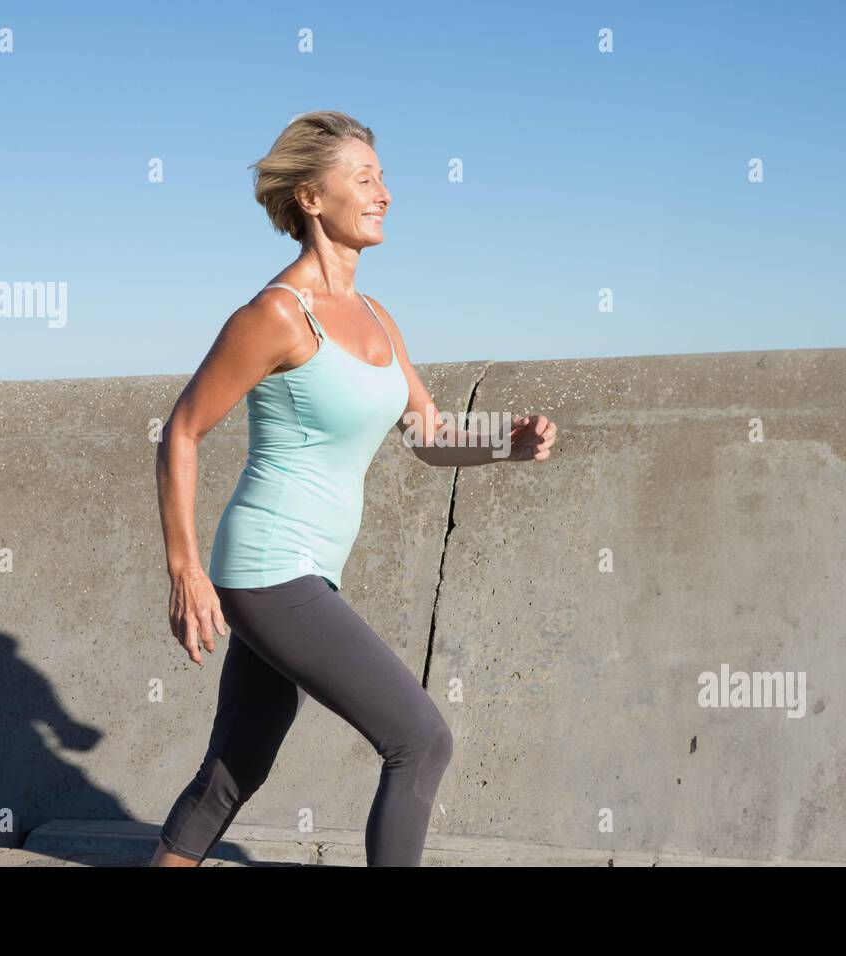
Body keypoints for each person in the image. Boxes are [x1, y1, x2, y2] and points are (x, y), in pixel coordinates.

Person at [149, 110, 557, 867]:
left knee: (233, 771)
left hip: (310, 569)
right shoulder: (277, 314)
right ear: (311, 198)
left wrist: (509, 439)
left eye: (383, 178)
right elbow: (182, 430)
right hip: (270, 566)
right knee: (420, 740)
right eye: (363, 179)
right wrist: (185, 571)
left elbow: (426, 434)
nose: (384, 194)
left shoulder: (376, 317)